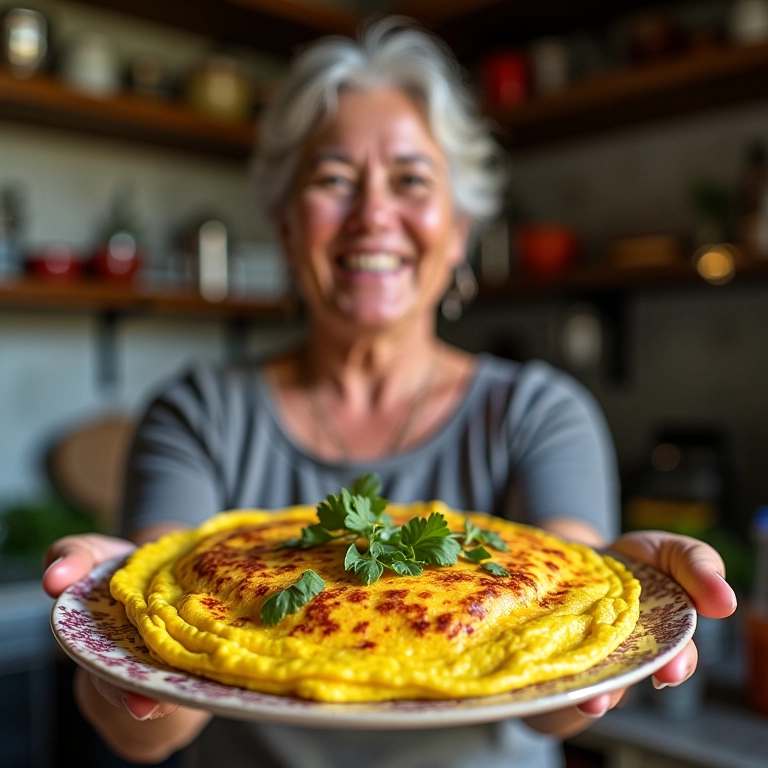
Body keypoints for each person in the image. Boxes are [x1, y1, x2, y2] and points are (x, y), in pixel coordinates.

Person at [43, 17, 736, 768]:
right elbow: (146, 723)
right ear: (285, 224)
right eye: (334, 179)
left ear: (459, 228)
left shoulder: (541, 414)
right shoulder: (196, 414)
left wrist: (612, 625)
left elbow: (557, 699)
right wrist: (121, 651)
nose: (373, 214)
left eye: (410, 180)